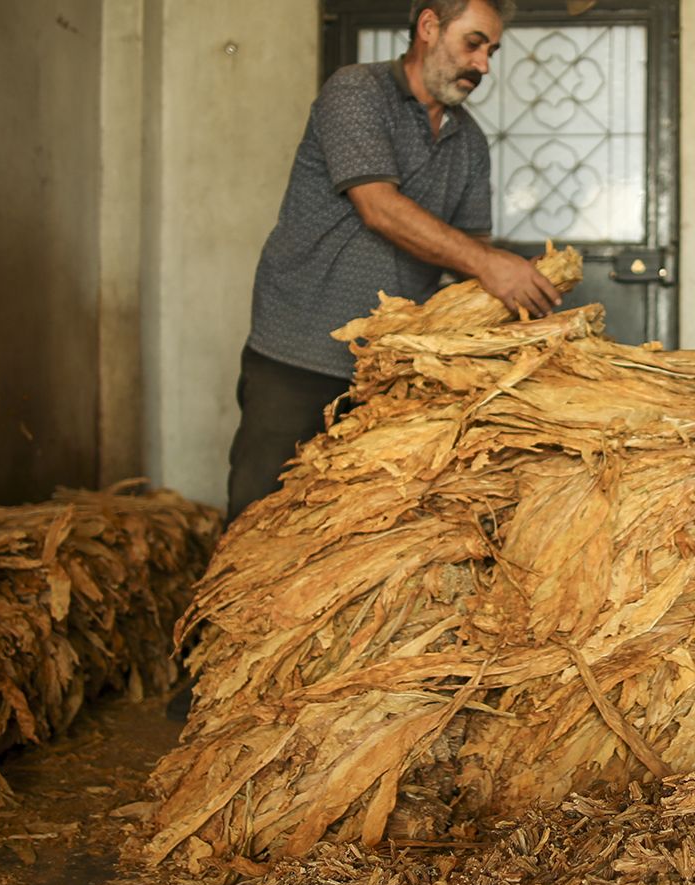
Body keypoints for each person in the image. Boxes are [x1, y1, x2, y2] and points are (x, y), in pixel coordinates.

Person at [225, 0, 560, 522]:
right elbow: (378, 207)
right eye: (473, 43)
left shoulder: (468, 142)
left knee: (363, 528)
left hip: (389, 369)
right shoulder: (357, 91)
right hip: (299, 353)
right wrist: (492, 266)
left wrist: (526, 279)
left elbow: (469, 257)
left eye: (492, 51)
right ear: (429, 26)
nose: (484, 65)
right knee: (259, 517)